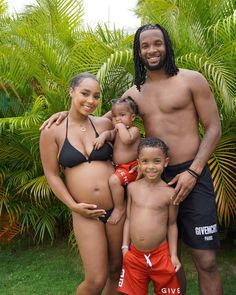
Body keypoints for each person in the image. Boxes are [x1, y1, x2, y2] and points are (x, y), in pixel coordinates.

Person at [40, 23, 223, 295]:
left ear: (167, 45)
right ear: (138, 52)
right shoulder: (133, 93)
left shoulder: (191, 80)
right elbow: (98, 119)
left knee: (206, 260)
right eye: (144, 46)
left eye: (157, 43)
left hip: (192, 175)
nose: (152, 50)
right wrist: (66, 114)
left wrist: (194, 172)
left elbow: (214, 128)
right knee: (169, 257)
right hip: (152, 178)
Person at [39, 72, 125, 295]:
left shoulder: (104, 123)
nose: (91, 101)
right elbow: (52, 175)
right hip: (86, 212)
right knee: (96, 279)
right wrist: (73, 206)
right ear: (71, 91)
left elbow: (129, 106)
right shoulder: (52, 131)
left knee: (116, 270)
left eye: (96, 96)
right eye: (85, 93)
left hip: (117, 209)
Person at [118, 137, 182, 295]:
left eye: (156, 161)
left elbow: (172, 225)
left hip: (160, 256)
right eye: (145, 161)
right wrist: (125, 248)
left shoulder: (170, 193)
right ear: (138, 162)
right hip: (134, 255)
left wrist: (173, 255)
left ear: (165, 162)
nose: (151, 167)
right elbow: (129, 219)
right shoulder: (132, 188)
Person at [93, 96, 141, 225]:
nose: (117, 119)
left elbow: (127, 140)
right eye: (114, 116)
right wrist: (103, 136)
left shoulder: (133, 130)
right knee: (111, 181)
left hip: (132, 166)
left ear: (132, 117)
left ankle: (119, 208)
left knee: (114, 181)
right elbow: (110, 134)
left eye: (122, 115)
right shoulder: (118, 130)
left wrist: (120, 127)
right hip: (120, 168)